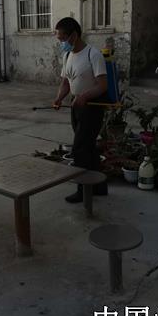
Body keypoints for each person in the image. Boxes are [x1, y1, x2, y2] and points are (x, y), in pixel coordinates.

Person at [52, 17, 109, 203]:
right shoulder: (67, 56)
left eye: (62, 39)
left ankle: (82, 190)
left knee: (79, 149)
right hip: (76, 105)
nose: (61, 43)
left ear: (74, 36)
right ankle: (99, 187)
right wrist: (59, 98)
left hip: (92, 106)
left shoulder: (93, 54)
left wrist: (84, 96)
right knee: (89, 147)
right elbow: (66, 82)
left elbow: (102, 86)